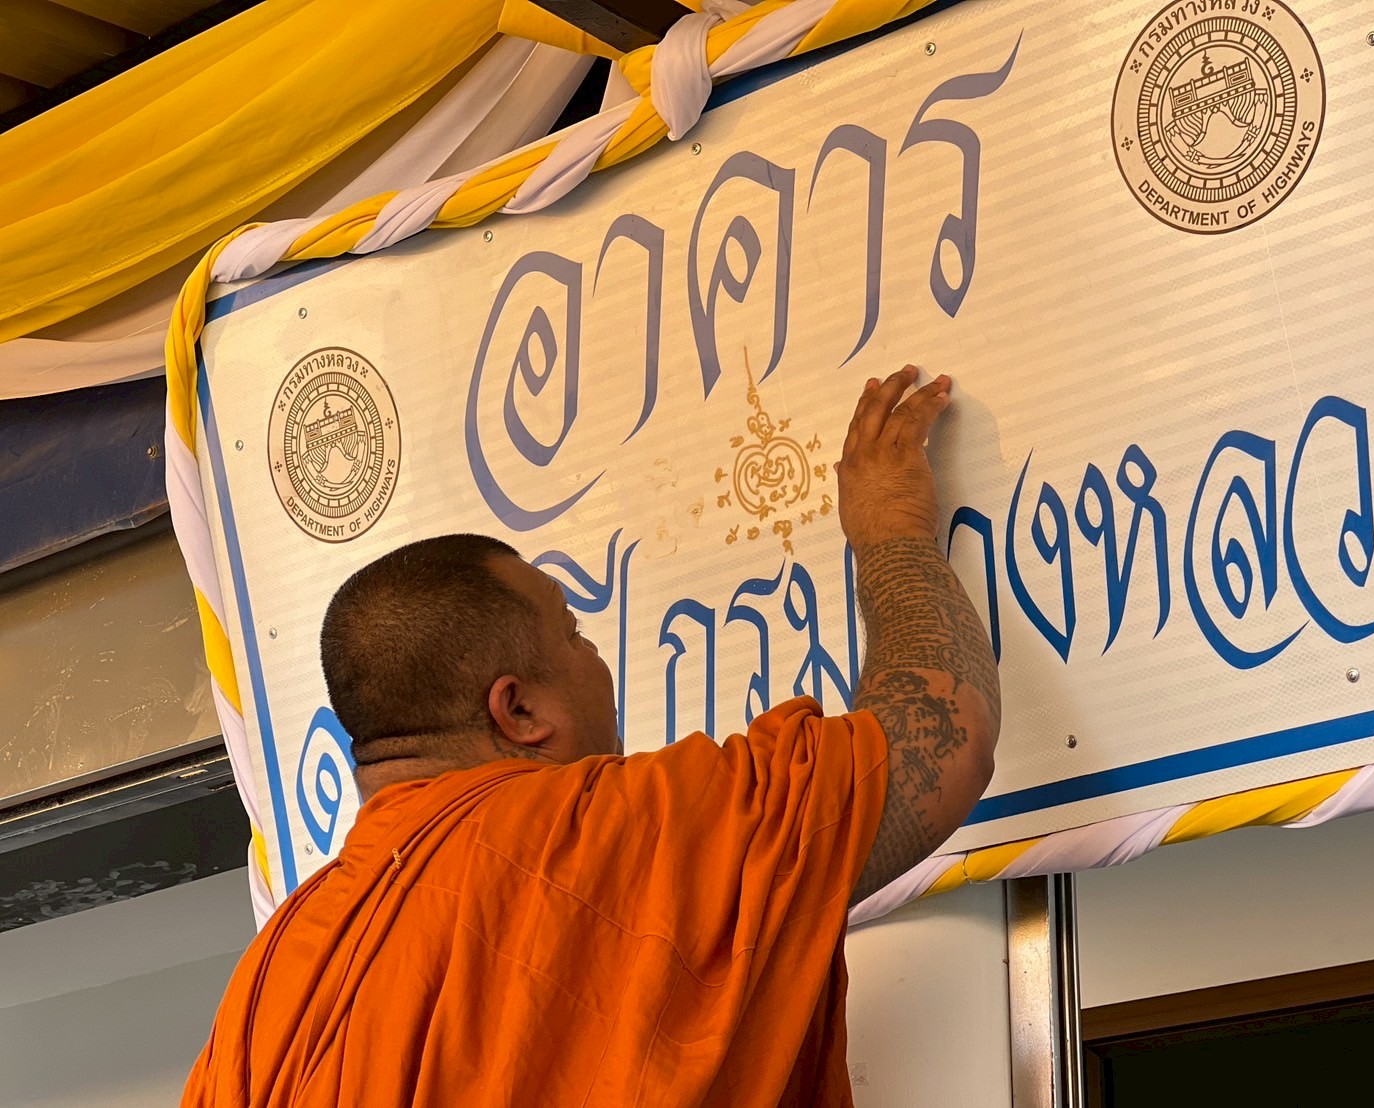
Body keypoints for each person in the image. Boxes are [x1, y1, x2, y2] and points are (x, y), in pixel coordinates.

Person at [183, 366, 1000, 1107]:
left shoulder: (269, 987)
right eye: (574, 633)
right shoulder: (592, 835)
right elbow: (938, 731)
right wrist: (890, 530)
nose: (595, 658)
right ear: (517, 712)